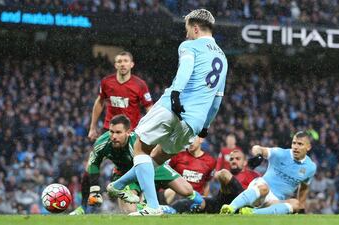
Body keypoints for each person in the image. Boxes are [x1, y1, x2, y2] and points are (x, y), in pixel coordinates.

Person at [107, 8, 228, 216]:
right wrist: (206, 126)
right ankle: (119, 184)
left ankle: (153, 206)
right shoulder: (223, 59)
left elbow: (186, 68)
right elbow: (217, 100)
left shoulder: (189, 46)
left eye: (187, 29)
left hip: (172, 106)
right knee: (157, 158)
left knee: (140, 149)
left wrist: (176, 94)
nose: (186, 33)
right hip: (195, 122)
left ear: (196, 28)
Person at [70, 115, 202, 215]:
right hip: (124, 174)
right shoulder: (102, 143)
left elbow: (155, 158)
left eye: (118, 132)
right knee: (130, 211)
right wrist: (94, 190)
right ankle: (151, 208)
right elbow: (93, 164)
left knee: (187, 190)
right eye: (111, 131)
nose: (113, 136)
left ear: (128, 132)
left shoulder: (138, 141)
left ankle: (202, 205)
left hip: (151, 166)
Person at [220, 131, 317, 215]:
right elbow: (258, 148)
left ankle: (252, 213)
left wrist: (301, 209)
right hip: (260, 189)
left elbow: (304, 188)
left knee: (296, 204)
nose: (295, 147)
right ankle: (231, 208)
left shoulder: (310, 167)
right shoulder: (280, 154)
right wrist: (258, 155)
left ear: (308, 147)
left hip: (274, 201)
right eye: (294, 143)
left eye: (300, 144)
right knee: (264, 188)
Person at [88, 51, 153, 141]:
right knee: (98, 154)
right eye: (119, 61)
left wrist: (150, 129)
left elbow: (149, 107)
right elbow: (99, 102)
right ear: (115, 65)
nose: (122, 64)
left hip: (131, 131)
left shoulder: (140, 85)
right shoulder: (106, 82)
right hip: (109, 130)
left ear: (132, 64)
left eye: (126, 61)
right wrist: (92, 127)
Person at [170, 149, 260, 213]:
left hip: (242, 204)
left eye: (237, 158)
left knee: (224, 173)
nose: (233, 161)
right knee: (196, 201)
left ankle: (243, 206)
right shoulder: (229, 176)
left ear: (245, 162)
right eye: (231, 159)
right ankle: (168, 210)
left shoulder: (253, 175)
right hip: (220, 203)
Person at [164, 137, 216, 204]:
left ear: (201, 139)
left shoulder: (211, 161)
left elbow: (206, 184)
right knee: (170, 192)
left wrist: (203, 201)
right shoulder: (177, 155)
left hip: (195, 199)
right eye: (188, 139)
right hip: (177, 197)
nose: (190, 142)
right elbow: (166, 175)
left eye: (193, 139)